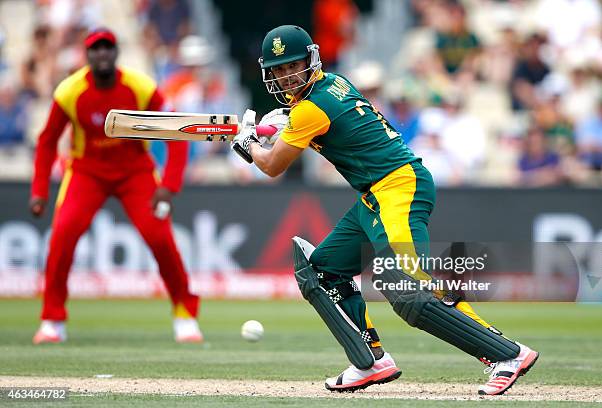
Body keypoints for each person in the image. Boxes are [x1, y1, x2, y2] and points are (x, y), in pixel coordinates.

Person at [231, 25, 539, 396]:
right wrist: (286, 125)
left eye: (293, 66)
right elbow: (323, 127)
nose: (287, 76)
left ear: (311, 60)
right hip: (374, 195)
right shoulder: (332, 85)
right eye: (279, 70)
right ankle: (370, 360)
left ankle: (506, 354)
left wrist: (247, 143)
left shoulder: (310, 108)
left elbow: (272, 166)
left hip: (398, 186)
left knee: (409, 291)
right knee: (322, 271)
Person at [30, 28, 202, 344]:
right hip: (87, 172)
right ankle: (52, 321)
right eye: (96, 49)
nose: (102, 54)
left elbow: (177, 133)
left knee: (159, 237)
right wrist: (40, 191)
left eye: (108, 48)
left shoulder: (140, 87)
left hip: (135, 171)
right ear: (87, 56)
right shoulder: (70, 91)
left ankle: (185, 315)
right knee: (63, 235)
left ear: (116, 53)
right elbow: (46, 142)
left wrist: (169, 185)